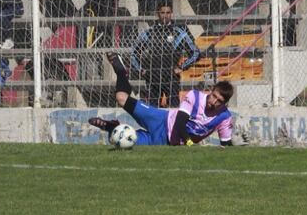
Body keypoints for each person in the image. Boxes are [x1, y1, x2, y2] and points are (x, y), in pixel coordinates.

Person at [89, 52, 234, 146]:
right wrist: (189, 144)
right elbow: (180, 121)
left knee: (125, 143)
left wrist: (235, 145)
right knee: (121, 98)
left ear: (224, 104)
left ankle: (111, 126)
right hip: (161, 120)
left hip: (163, 142)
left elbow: (225, 145)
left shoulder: (224, 117)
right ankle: (121, 72)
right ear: (211, 90)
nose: (213, 102)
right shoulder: (194, 96)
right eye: (214, 96)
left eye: (219, 101)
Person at [129, 3, 201, 107]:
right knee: (152, 111)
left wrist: (181, 67)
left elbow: (196, 53)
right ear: (158, 14)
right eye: (162, 12)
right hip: (152, 77)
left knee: (174, 110)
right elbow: (133, 54)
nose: (165, 15)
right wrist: (141, 70)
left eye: (168, 12)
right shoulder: (149, 33)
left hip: (171, 77)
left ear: (171, 14)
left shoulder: (179, 33)